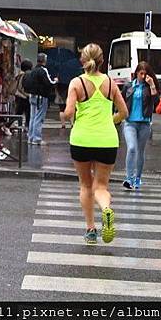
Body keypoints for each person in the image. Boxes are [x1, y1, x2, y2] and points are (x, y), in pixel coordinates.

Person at [64, 43, 128, 245]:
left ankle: (91, 230)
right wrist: (111, 121)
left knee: (85, 185)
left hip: (82, 139)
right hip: (107, 140)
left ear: (83, 60)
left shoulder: (76, 83)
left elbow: (68, 112)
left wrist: (64, 117)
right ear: (102, 61)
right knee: (101, 186)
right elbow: (124, 113)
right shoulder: (111, 83)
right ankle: (106, 209)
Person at [121, 62, 160, 190]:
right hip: (130, 123)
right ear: (136, 73)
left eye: (145, 74)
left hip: (144, 123)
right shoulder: (128, 86)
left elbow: (157, 104)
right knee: (132, 148)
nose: (143, 76)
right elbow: (120, 100)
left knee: (140, 151)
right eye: (141, 73)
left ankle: (138, 177)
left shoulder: (149, 88)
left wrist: (152, 85)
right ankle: (129, 178)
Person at [28, 53, 58, 145]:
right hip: (41, 96)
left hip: (32, 96)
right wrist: (55, 81)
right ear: (44, 60)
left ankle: (31, 137)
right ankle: (37, 138)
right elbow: (49, 83)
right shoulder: (43, 70)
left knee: (32, 117)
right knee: (39, 118)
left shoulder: (33, 70)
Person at [13, 60, 32, 128]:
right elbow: (20, 87)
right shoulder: (23, 75)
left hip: (19, 96)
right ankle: (7, 126)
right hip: (23, 96)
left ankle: (22, 127)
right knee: (23, 113)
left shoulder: (19, 74)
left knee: (20, 113)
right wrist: (27, 94)